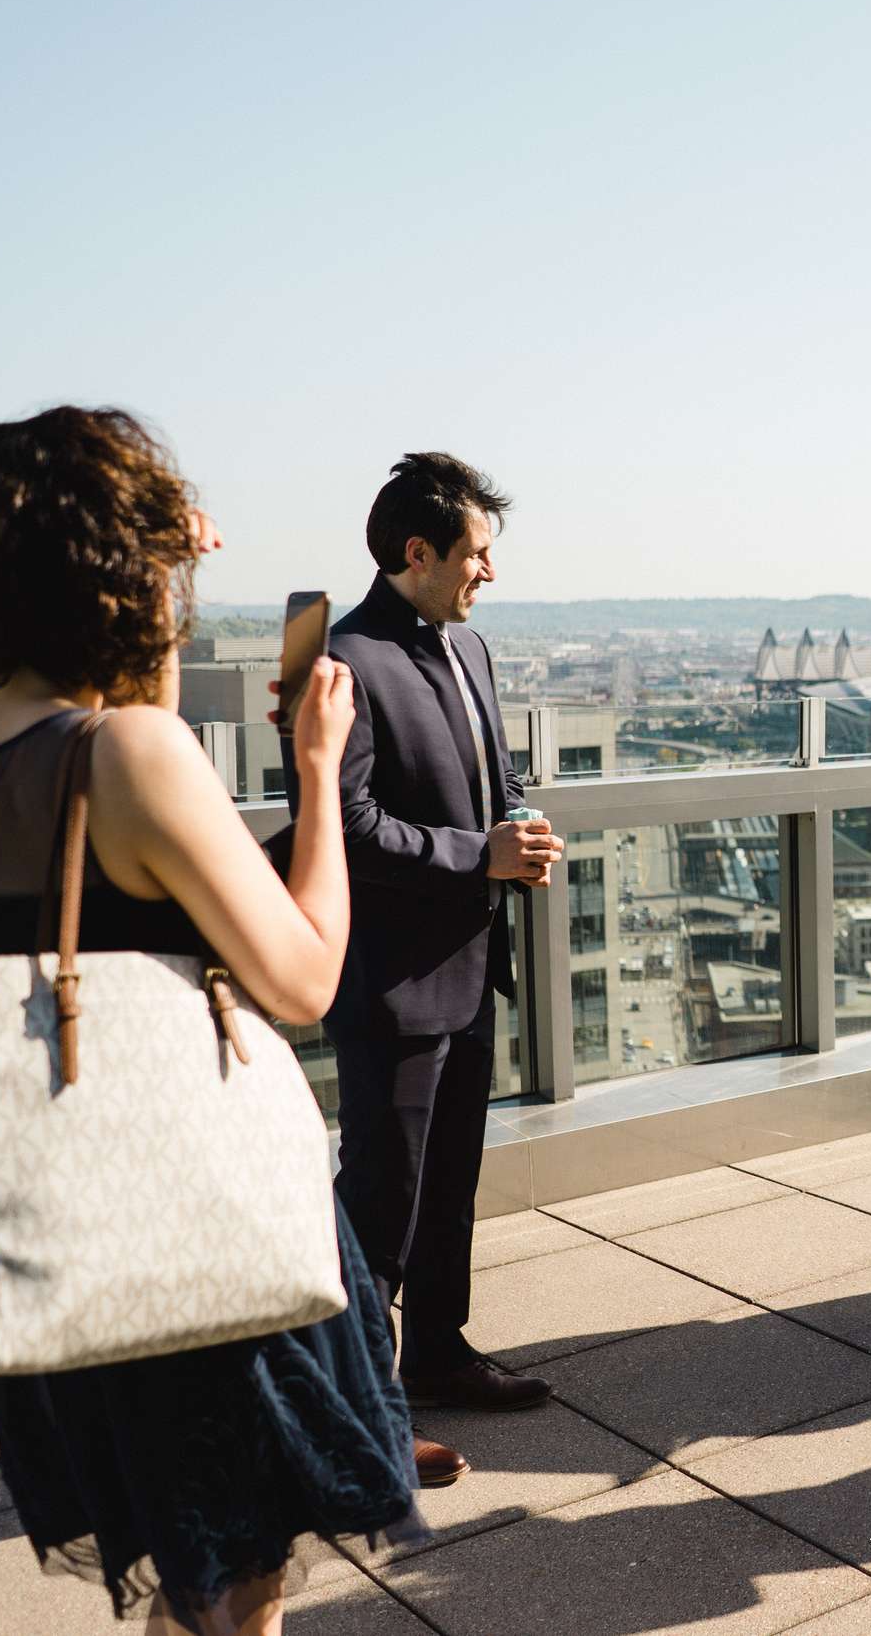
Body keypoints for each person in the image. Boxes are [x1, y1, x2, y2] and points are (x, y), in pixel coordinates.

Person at [0, 407, 422, 1634]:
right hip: (195, 1230)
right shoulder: (135, 753)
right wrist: (319, 772)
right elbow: (302, 980)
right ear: (125, 574)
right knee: (240, 1593)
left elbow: (82, 770)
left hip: (59, 1232)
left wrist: (155, 590)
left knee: (180, 1565)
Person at [316, 454, 564, 1480]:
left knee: (448, 1185)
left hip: (469, 966)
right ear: (417, 552)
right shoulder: (343, 661)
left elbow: (487, 766)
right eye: (476, 554)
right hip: (390, 981)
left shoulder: (470, 649)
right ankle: (353, 1412)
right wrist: (480, 854)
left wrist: (515, 817)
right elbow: (348, 826)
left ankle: (439, 1354)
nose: (488, 574)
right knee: (381, 1203)